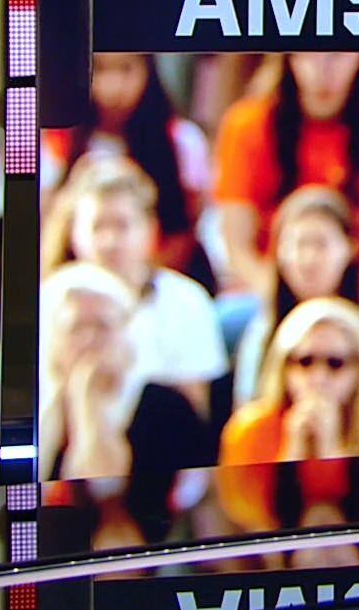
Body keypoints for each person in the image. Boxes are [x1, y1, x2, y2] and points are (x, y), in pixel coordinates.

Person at [212, 53, 359, 296]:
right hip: (269, 289)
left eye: (337, 56)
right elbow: (238, 248)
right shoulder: (246, 125)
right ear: (289, 58)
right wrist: (278, 296)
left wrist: (350, 297)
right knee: (229, 314)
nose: (323, 70)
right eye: (310, 55)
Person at [40, 156, 228, 417]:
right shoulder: (45, 300)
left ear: (150, 229)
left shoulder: (187, 301)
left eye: (121, 225)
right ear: (75, 232)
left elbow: (195, 411)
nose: (109, 241)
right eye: (98, 227)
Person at [215, 298, 359, 533]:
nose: (318, 378)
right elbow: (247, 514)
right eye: (305, 362)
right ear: (283, 366)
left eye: (335, 364)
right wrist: (291, 456)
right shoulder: (249, 427)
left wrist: (332, 452)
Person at [230, 186, 359, 405]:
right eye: (298, 245)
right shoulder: (262, 329)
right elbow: (247, 415)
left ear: (351, 248)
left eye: (320, 244)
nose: (308, 259)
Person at [41, 53, 212, 282]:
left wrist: (137, 280)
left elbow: (186, 231)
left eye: (126, 69)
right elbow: (49, 229)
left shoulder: (183, 140)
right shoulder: (57, 141)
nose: (112, 85)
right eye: (100, 69)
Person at [38, 264, 212, 483]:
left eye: (101, 326)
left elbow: (103, 485)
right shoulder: (39, 410)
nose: (89, 340)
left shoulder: (166, 409)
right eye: (76, 327)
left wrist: (88, 403)